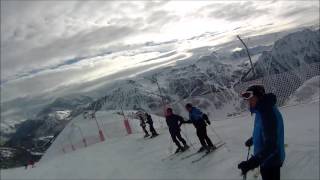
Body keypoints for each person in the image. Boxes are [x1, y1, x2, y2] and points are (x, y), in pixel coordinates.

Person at [237, 85, 285, 180]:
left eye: (252, 99)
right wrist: (253, 139)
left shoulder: (267, 113)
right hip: (265, 159)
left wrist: (251, 163)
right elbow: (264, 130)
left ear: (259, 97)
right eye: (248, 100)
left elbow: (271, 146)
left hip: (271, 161)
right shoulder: (262, 110)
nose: (249, 103)